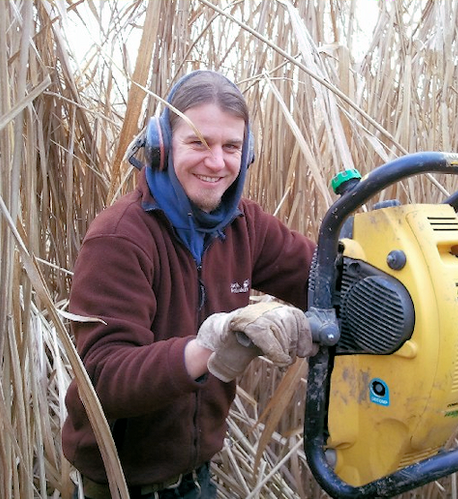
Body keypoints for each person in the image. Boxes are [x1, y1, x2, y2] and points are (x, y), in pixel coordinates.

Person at [62, 70, 317, 499]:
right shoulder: (120, 237)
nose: (216, 162)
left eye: (231, 146)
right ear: (161, 147)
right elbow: (101, 380)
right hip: (122, 487)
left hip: (197, 479)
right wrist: (209, 344)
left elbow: (323, 276)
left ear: (247, 152)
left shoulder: (244, 224)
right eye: (198, 142)